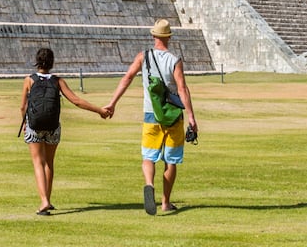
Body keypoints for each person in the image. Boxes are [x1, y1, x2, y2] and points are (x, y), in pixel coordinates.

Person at [103, 19, 198, 216]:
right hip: (173, 115)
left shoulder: (143, 57)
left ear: (154, 36)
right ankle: (165, 202)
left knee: (148, 156)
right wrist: (191, 116)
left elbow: (127, 78)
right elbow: (182, 89)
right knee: (171, 160)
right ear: (169, 37)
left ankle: (149, 184)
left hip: (150, 113)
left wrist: (112, 103)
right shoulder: (175, 60)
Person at [21, 47, 110, 216]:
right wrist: (99, 110)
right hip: (53, 127)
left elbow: (22, 106)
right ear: (52, 63)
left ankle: (44, 201)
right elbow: (76, 101)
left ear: (37, 61)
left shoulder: (29, 80)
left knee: (38, 163)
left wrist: (25, 123)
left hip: (34, 125)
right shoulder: (58, 81)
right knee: (49, 163)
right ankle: (48, 198)